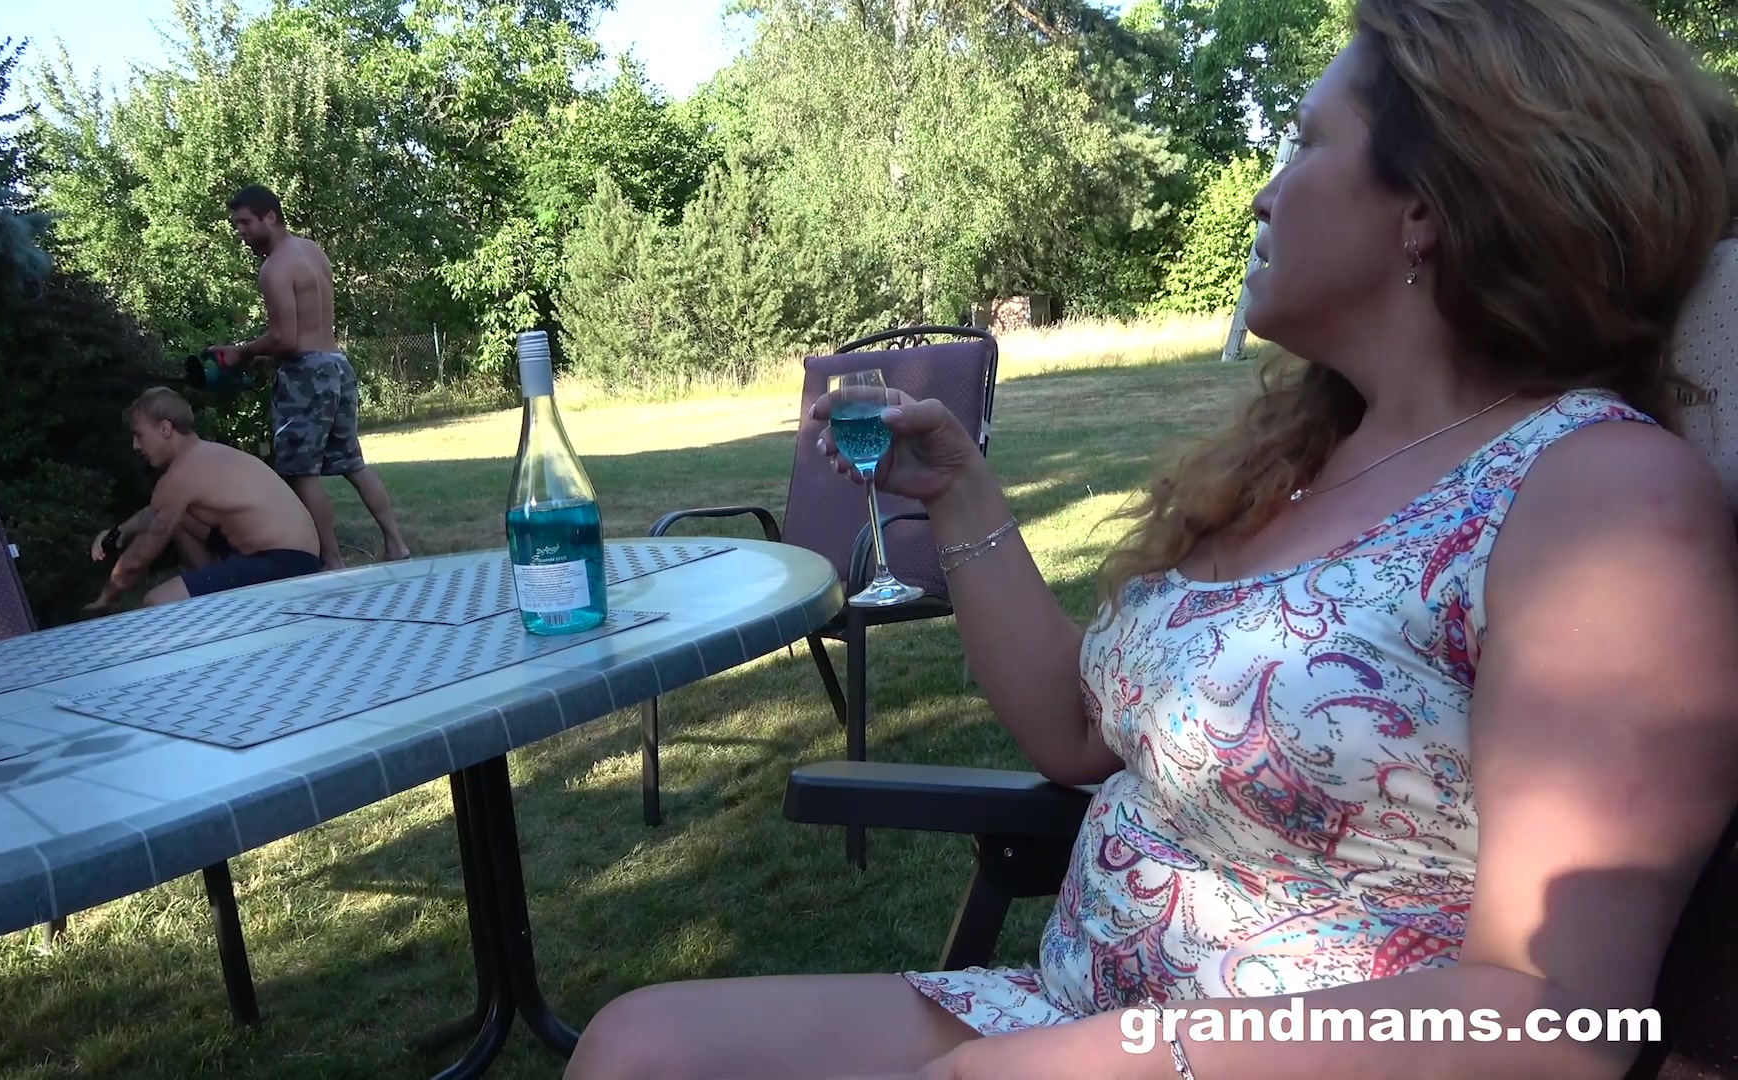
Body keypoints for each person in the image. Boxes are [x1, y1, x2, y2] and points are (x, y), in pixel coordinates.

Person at [562, 1, 1738, 1078]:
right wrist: (958, 495)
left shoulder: (1603, 503)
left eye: (1303, 145)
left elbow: (1554, 1021)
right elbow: (1078, 735)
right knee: (639, 1050)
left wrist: (1128, 1059)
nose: (1263, 196)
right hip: (1063, 1012)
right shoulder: (1305, 456)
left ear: (1428, 204)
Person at [211, 183, 410, 570]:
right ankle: (396, 543)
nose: (241, 232)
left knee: (301, 471)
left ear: (270, 216)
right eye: (237, 225)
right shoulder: (312, 251)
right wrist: (262, 355)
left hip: (305, 373)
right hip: (336, 365)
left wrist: (242, 352)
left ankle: (332, 560)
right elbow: (301, 333)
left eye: (246, 223)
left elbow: (286, 339)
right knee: (353, 463)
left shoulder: (274, 268)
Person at [86, 387, 325, 612]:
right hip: (296, 557)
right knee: (180, 518)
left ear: (165, 429)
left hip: (283, 564)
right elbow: (156, 512)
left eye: (139, 435)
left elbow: (140, 555)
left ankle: (211, 606)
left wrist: (106, 597)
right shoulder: (204, 455)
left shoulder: (181, 475)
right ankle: (211, 593)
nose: (135, 445)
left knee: (155, 604)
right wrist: (119, 532)